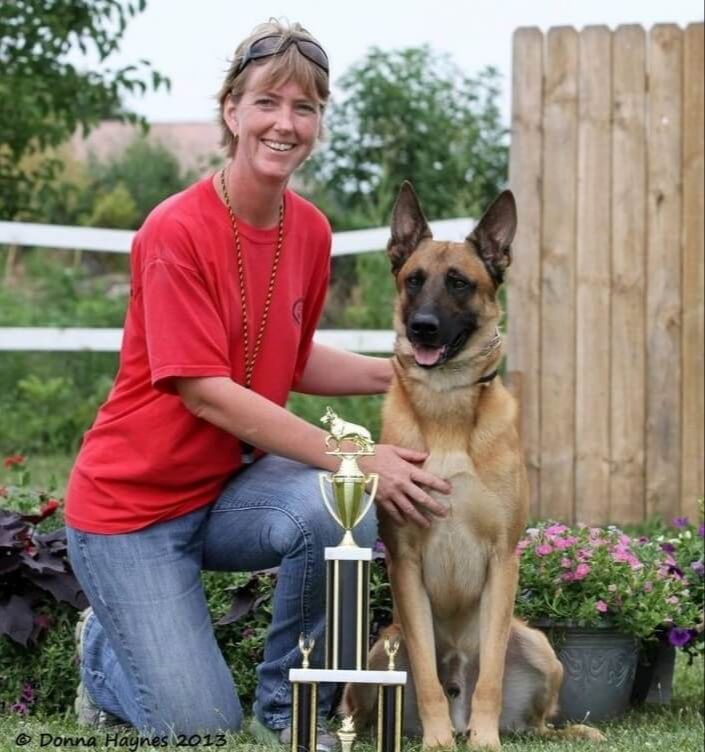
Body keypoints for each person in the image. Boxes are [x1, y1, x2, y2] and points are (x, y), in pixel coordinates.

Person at [65, 19, 450, 747]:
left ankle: (289, 711)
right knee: (198, 727)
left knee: (339, 509)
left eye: (304, 108)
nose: (285, 123)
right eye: (268, 102)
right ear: (232, 111)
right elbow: (204, 388)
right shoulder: (173, 231)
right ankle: (103, 656)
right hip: (132, 512)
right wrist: (353, 454)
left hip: (225, 492)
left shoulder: (308, 230)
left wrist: (410, 373)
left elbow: (287, 356)